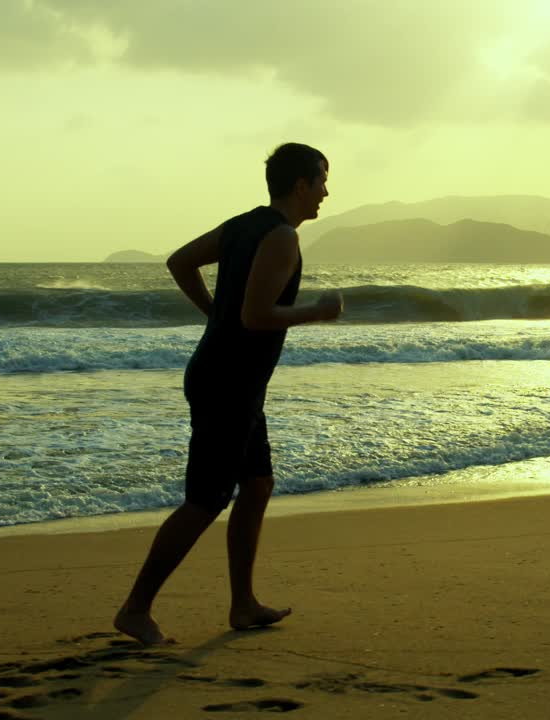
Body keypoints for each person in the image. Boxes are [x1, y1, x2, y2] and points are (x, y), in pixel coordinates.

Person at [114, 143, 343, 645]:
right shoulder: (281, 237)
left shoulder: (244, 224)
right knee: (206, 499)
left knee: (257, 484)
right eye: (322, 180)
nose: (327, 191)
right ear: (301, 185)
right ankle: (135, 608)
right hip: (228, 383)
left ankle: (243, 604)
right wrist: (317, 311)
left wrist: (212, 313)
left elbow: (180, 262)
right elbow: (256, 316)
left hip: (225, 375)